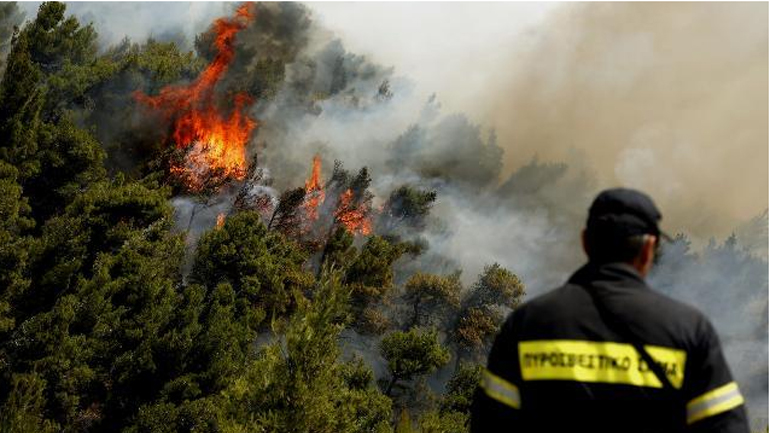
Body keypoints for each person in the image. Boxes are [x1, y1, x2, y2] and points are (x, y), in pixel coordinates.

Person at [470, 188, 749, 433]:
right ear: (649, 249)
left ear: (585, 242)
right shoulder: (689, 329)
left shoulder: (527, 324)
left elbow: (489, 424)